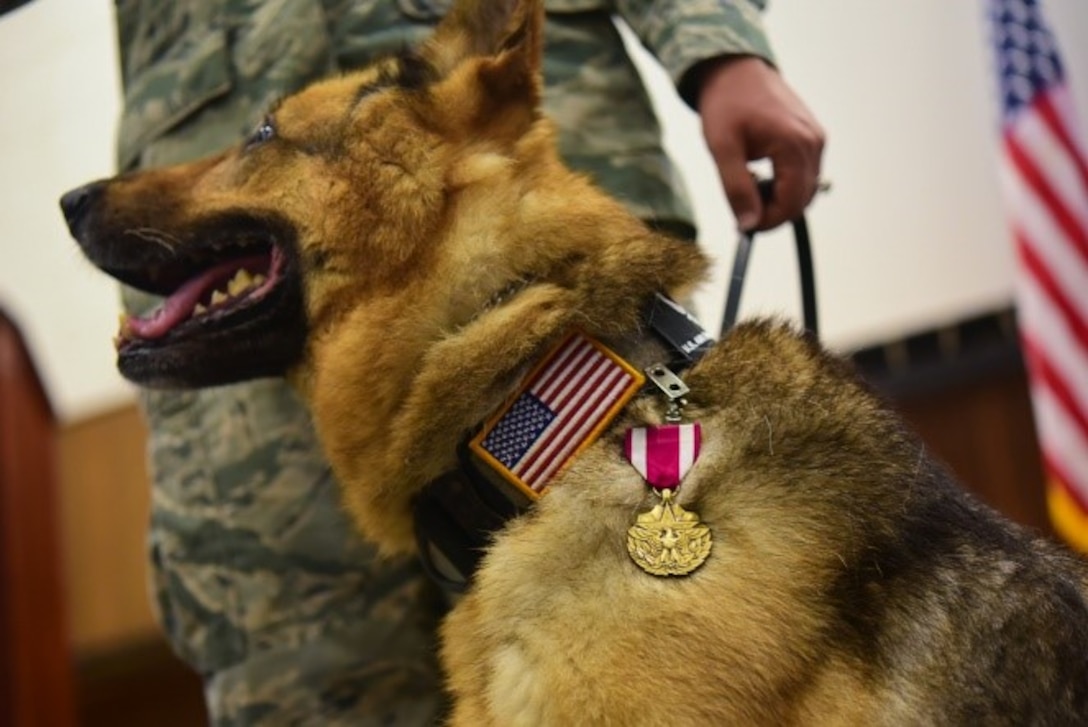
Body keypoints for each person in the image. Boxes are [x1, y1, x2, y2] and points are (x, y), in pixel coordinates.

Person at [113, 0, 824, 723]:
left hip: (524, 235)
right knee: (314, 684)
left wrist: (716, 43)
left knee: (672, 654)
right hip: (244, 309)